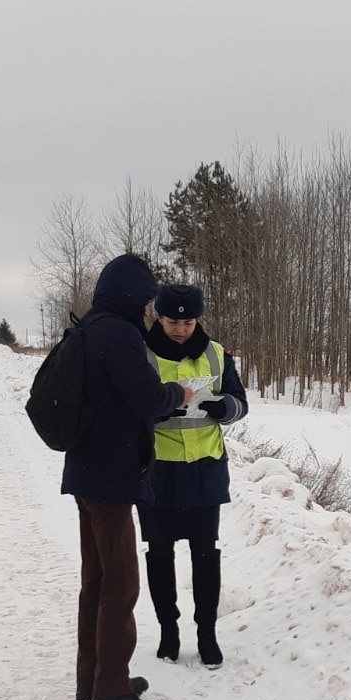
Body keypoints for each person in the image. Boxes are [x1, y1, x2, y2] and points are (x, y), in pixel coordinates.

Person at [61, 255, 194, 700]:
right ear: (134, 296)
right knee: (120, 584)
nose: (147, 311)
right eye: (145, 301)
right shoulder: (118, 333)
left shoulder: (90, 327)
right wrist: (178, 394)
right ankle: (112, 692)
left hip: (86, 473)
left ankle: (92, 678)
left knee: (96, 580)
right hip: (110, 478)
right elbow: (146, 398)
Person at [138, 284, 248, 669]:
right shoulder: (142, 352)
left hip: (205, 470)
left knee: (206, 556)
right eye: (173, 321)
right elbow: (130, 405)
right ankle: (169, 633)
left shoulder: (216, 354)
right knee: (160, 555)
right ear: (157, 316)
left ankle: (207, 635)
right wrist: (161, 406)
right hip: (158, 472)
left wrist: (225, 407)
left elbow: (240, 402)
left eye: (188, 321)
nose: (181, 329)